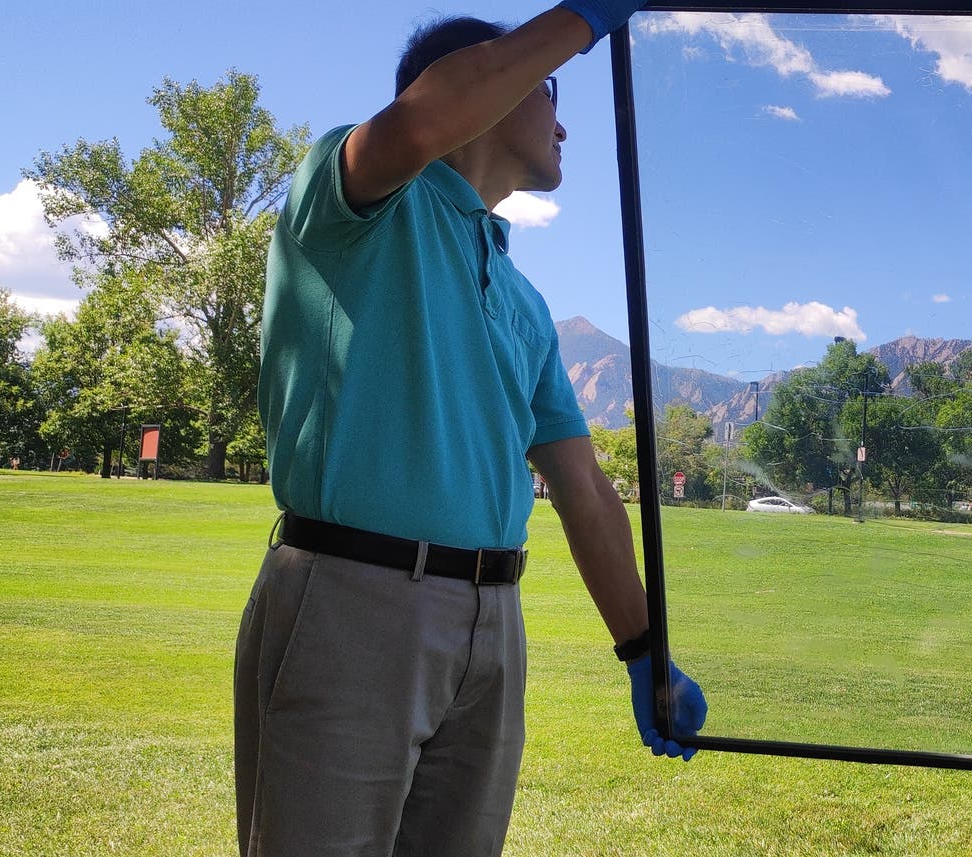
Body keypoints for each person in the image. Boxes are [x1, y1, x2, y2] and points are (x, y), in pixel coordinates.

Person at [237, 4, 706, 855]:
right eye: (548, 92)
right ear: (493, 81)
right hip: (351, 602)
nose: (563, 125)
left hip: (495, 623)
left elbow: (583, 488)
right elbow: (422, 122)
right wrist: (585, 17)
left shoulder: (525, 302)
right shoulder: (351, 197)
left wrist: (643, 646)